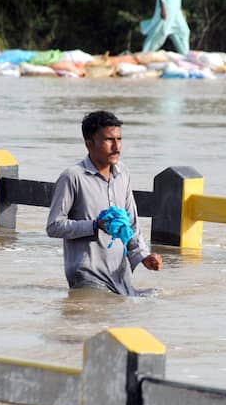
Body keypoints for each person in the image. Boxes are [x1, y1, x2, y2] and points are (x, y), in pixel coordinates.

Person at [46, 111, 162, 296]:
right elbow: (54, 226)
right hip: (87, 277)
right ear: (89, 144)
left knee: (158, 302)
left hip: (120, 276)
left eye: (119, 139)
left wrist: (143, 257)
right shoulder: (73, 177)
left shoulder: (122, 173)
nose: (116, 147)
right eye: (109, 140)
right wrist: (94, 225)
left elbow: (130, 224)